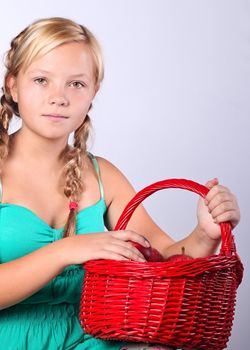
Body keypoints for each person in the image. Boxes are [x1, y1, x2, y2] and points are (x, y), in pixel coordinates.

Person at [0, 17, 240, 350]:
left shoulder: (103, 176)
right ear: (13, 86)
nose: (59, 97)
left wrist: (205, 234)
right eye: (41, 80)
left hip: (91, 341)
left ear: (93, 92)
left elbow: (163, 259)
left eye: (76, 84)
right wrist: (64, 251)